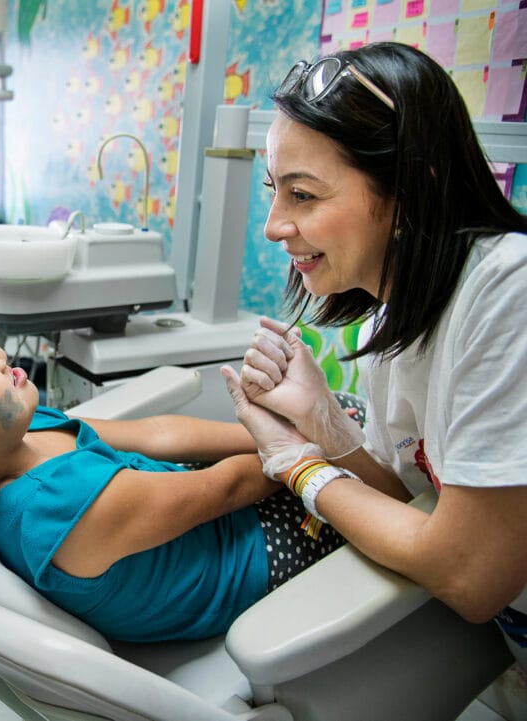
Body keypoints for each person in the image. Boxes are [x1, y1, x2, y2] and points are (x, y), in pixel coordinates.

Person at [220, 42, 527, 667]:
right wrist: (325, 423)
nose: (275, 225)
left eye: (303, 195)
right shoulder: (393, 321)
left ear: (412, 191)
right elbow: (410, 504)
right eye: (275, 190)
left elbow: (469, 575)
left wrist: (299, 467)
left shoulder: (509, 292)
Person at [0, 301, 345, 641]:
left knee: (343, 417)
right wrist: (308, 447)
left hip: (215, 504)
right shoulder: (56, 511)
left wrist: (284, 433)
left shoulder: (18, 432)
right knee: (364, 453)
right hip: (248, 560)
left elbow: (158, 435)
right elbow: (224, 487)